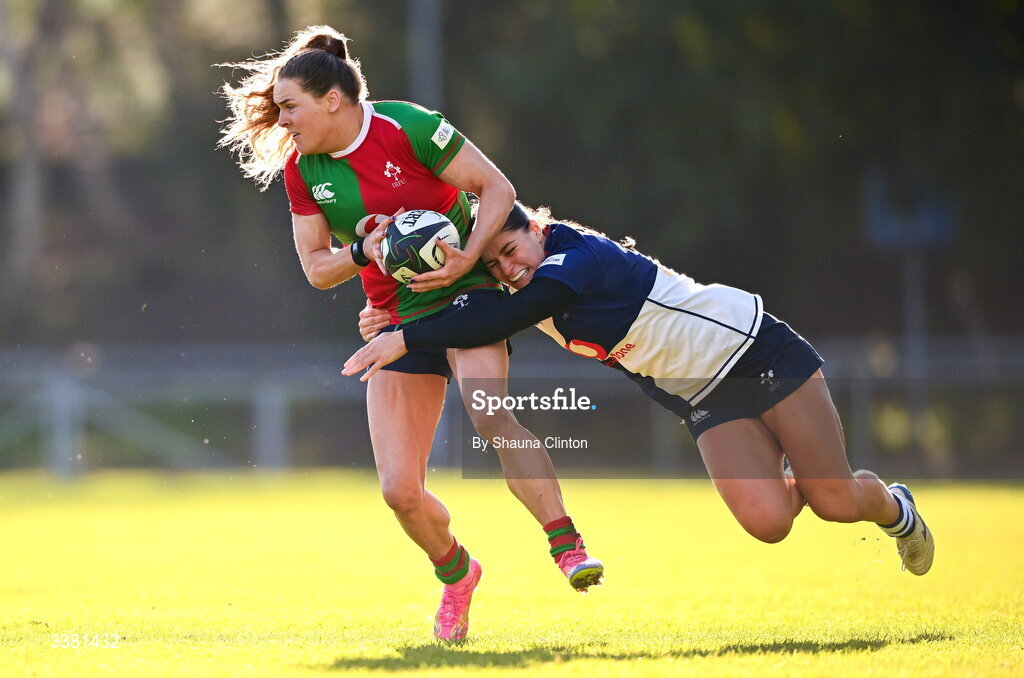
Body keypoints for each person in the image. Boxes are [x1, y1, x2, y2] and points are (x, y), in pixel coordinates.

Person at [217, 27, 603, 641]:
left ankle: (567, 547)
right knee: (399, 491)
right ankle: (457, 574)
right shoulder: (303, 171)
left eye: (290, 106)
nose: (282, 119)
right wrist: (364, 249)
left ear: (333, 101)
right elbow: (318, 270)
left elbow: (496, 188)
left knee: (490, 416)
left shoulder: (409, 127)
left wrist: (466, 257)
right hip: (397, 322)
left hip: (468, 297)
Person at [345, 202, 935, 577]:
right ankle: (813, 471)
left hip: (758, 354)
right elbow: (470, 312)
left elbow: (493, 319)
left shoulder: (573, 259)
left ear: (538, 227)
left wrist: (404, 336)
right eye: (494, 263)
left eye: (510, 249)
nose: (507, 267)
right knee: (770, 523)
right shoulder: (523, 285)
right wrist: (390, 318)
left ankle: (895, 509)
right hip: (706, 399)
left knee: (834, 503)